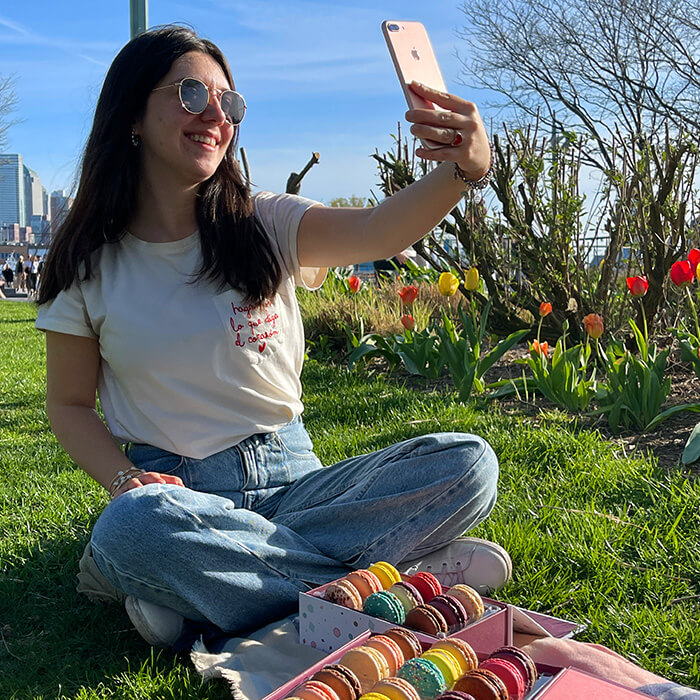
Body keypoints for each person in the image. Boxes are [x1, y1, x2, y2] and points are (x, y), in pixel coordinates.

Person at [35, 25, 505, 648]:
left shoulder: (264, 221)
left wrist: (464, 170)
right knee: (131, 527)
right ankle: (379, 582)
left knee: (469, 464)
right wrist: (123, 481)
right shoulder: (85, 262)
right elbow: (68, 405)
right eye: (192, 95)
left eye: (229, 105)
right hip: (182, 495)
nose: (215, 116)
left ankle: (205, 597)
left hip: (298, 482)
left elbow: (380, 232)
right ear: (132, 114)